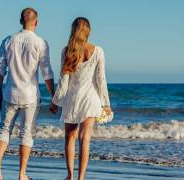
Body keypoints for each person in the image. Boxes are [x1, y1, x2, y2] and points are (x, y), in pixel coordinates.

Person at [0, 7, 57, 180]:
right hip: (30, 95)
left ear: (21, 21)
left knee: (4, 129)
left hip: (10, 93)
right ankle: (22, 174)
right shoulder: (41, 43)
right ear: (36, 22)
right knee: (26, 133)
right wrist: (54, 97)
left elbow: (0, 71)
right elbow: (47, 73)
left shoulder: (8, 41)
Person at [52, 17, 112, 180]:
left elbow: (63, 81)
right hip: (91, 99)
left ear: (73, 30)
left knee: (70, 138)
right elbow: (101, 79)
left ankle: (70, 176)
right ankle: (81, 178)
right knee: (84, 139)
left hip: (72, 99)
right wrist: (106, 103)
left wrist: (56, 101)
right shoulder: (98, 51)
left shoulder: (67, 51)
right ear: (89, 32)